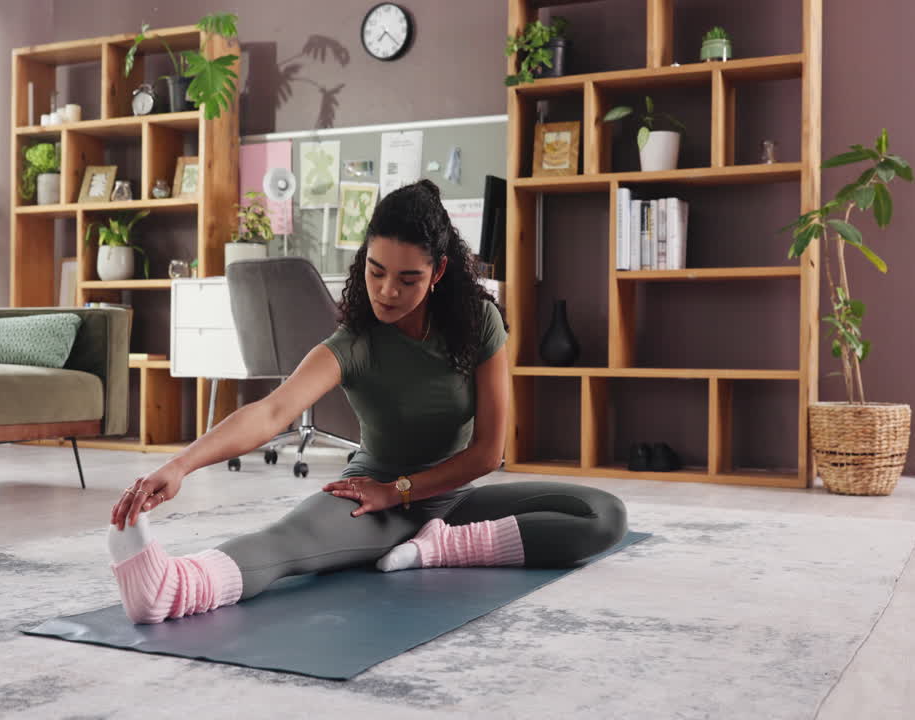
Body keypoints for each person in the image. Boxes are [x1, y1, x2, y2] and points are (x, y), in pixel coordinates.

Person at [107, 179, 628, 624]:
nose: (386, 292)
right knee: (288, 544)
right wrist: (180, 465)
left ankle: (437, 549)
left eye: (408, 279)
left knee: (601, 514)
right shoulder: (353, 342)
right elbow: (271, 412)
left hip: (450, 499)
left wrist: (401, 490)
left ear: (438, 273)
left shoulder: (478, 323)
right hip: (371, 501)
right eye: (376, 271)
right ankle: (171, 588)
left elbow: (489, 453)